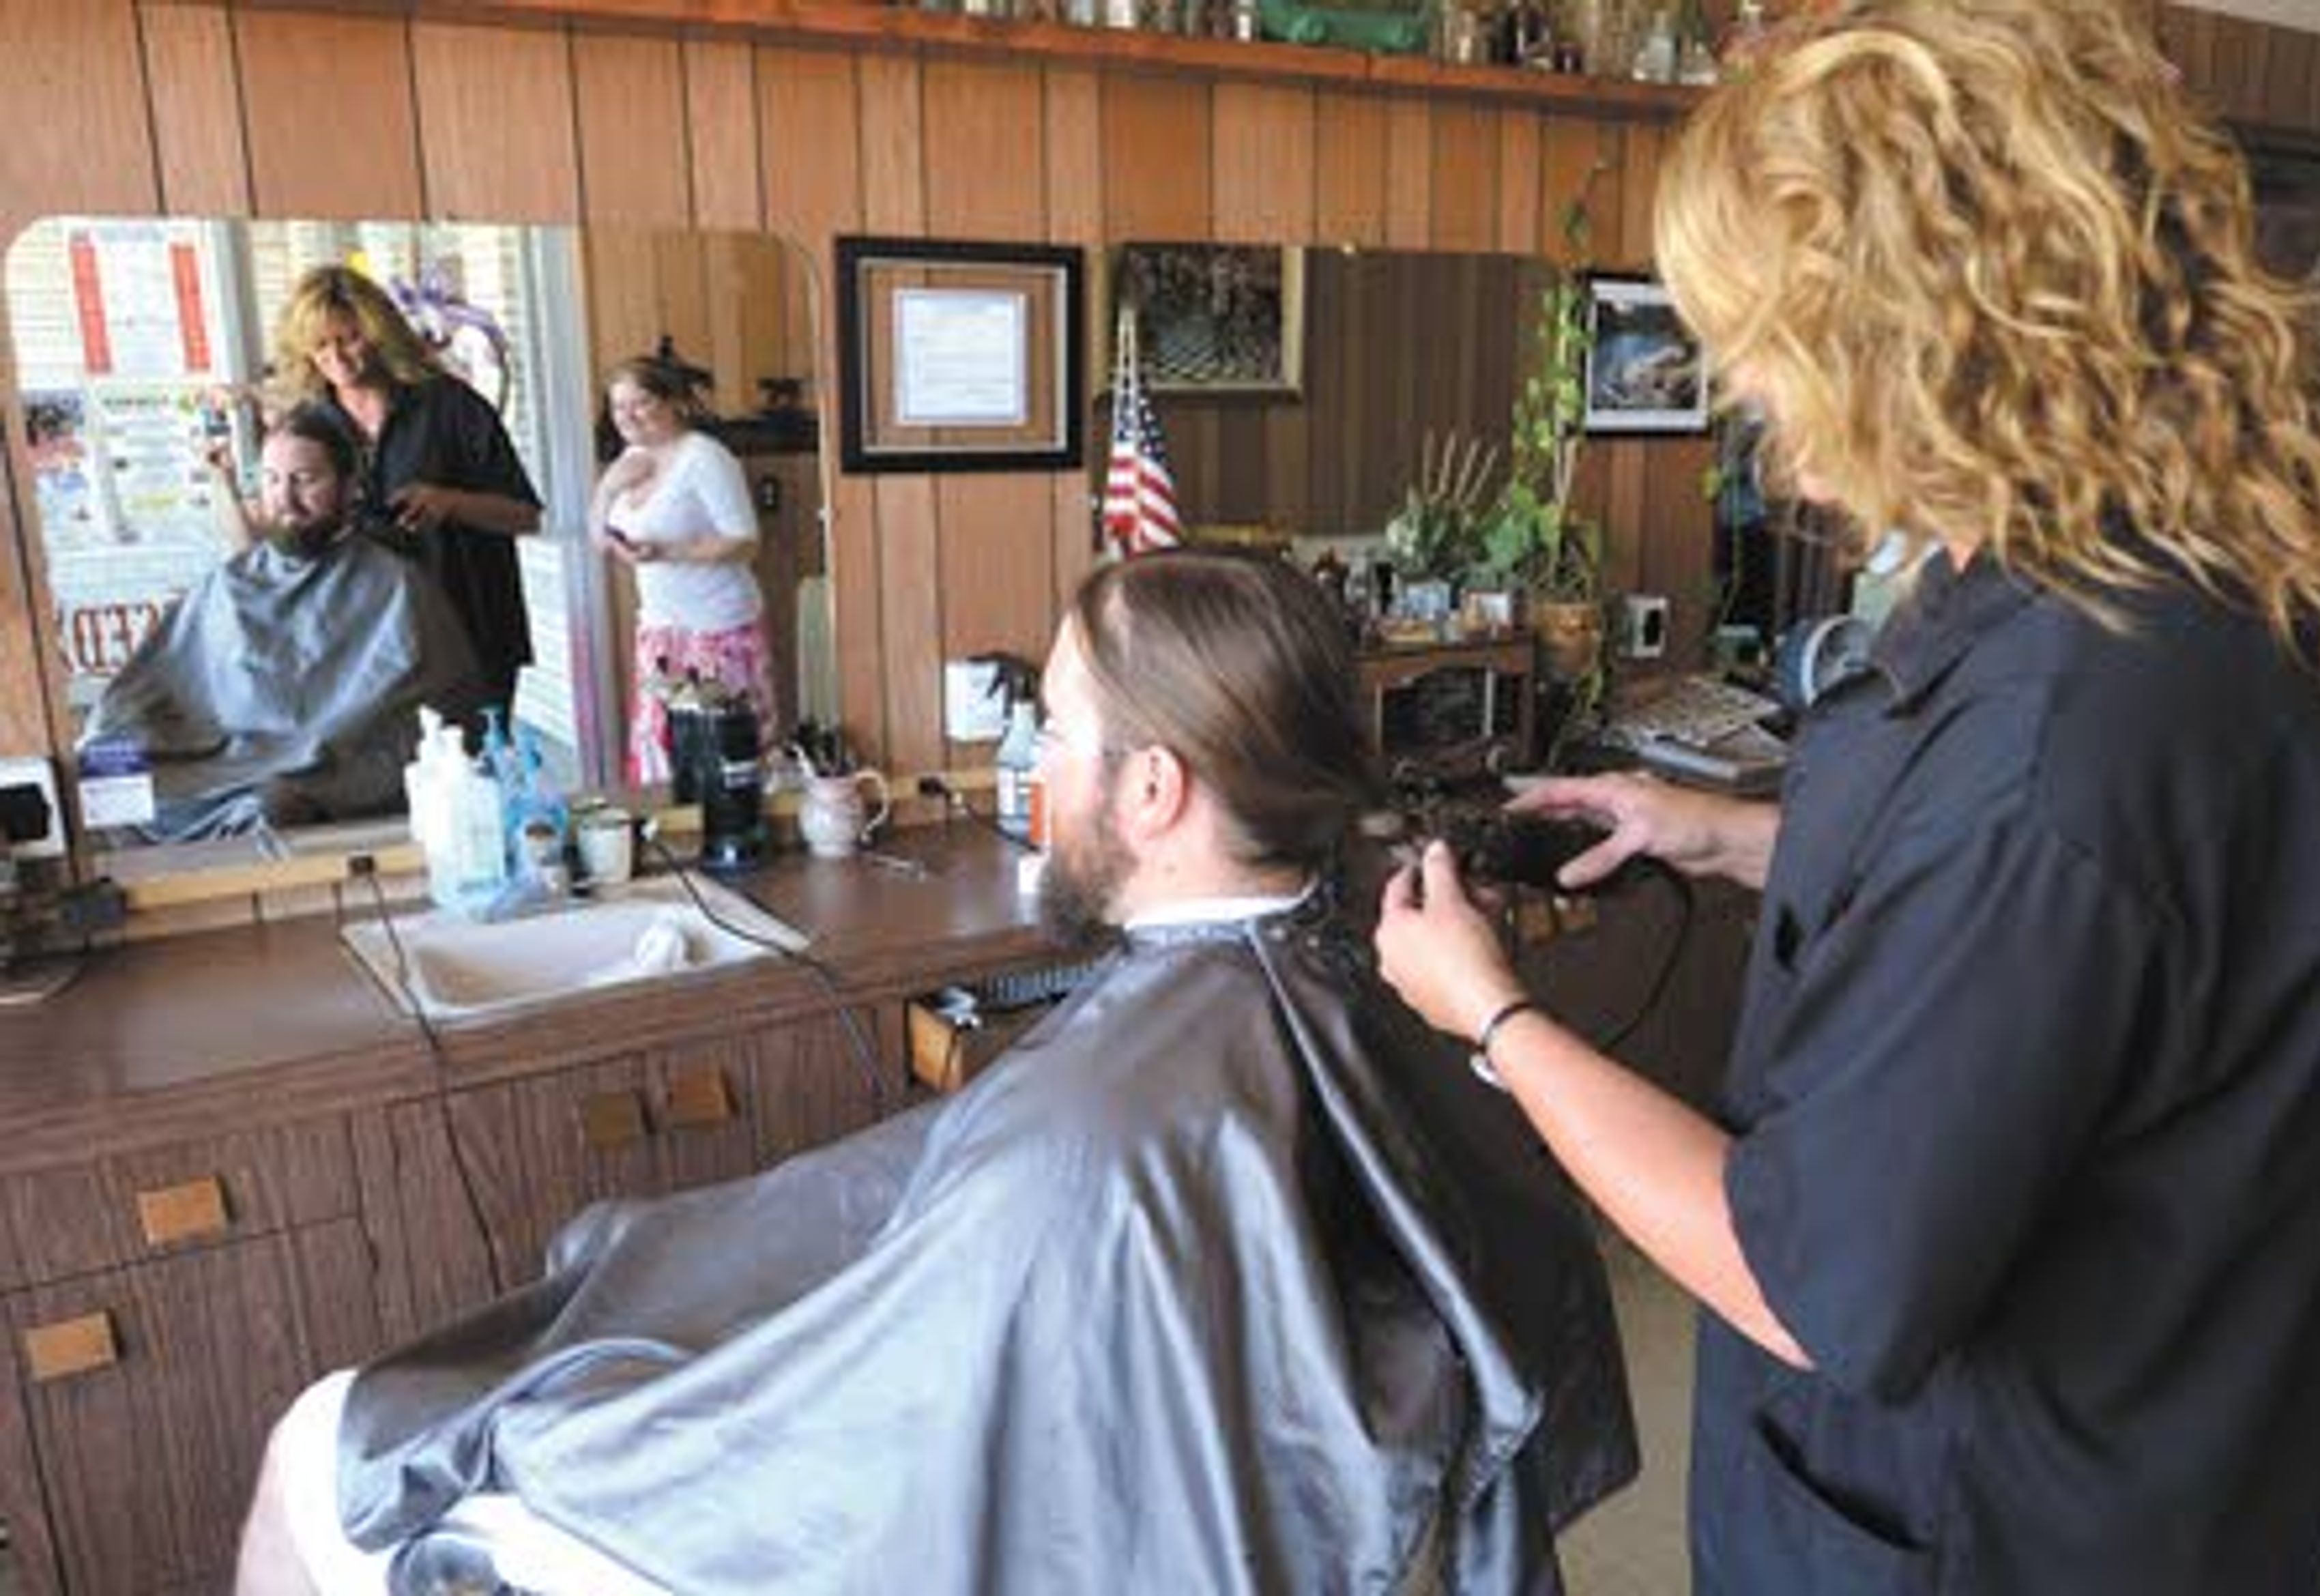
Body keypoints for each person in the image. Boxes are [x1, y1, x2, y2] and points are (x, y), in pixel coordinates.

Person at [1375, 2, 2320, 1591]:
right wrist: (1733, 836)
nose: (1771, 436)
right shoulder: (2188, 579)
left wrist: (1495, 1018)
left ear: (1915, 333)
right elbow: (2080, 953)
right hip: (2181, 1459)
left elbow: (1810, 1280)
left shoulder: (2072, 736)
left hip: (2008, 1529)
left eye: (1775, 361)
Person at [235, 549, 1636, 1595]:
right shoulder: (1363, 987)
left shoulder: (1105, 1128)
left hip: (922, 1487)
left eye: (1064, 737)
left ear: (1152, 793)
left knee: (335, 1449)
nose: (1041, 774)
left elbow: (895, 1419)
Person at [84, 405, 476, 840]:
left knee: (275, 805)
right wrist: (107, 739)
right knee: (103, 774)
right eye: (271, 479)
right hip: (229, 759)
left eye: (305, 481)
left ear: (350, 487)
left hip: (333, 771)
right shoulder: (231, 582)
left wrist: (331, 763)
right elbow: (156, 683)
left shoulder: (396, 585)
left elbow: (450, 715)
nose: (285, 500)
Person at [264, 263, 542, 718]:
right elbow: (285, 527)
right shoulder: (309, 425)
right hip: (359, 643)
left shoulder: (451, 405)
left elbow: (525, 515)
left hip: (468, 632)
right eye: (320, 346)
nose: (336, 356)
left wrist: (450, 502)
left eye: (349, 337)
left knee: (471, 778)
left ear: (379, 333)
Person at [590, 351, 777, 785]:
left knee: (725, 752)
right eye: (618, 406)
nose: (628, 417)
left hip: (719, 625)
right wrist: (609, 486)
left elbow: (745, 542)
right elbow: (600, 539)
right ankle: (677, 839)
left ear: (674, 402)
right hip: (659, 626)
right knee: (659, 746)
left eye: (641, 403)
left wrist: (667, 552)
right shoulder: (631, 458)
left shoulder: (705, 458)